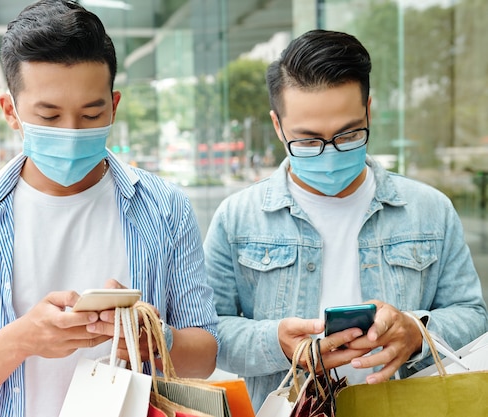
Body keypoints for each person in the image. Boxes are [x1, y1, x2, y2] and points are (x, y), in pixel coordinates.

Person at [0, 1, 218, 416]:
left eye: (92, 114)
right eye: (50, 116)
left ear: (114, 106)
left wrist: (152, 339)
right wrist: (23, 339)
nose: (72, 132)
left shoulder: (164, 207)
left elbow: (205, 356)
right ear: (11, 112)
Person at [203, 29, 488, 412]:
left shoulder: (430, 210)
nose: (330, 153)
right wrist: (277, 343)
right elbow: (209, 333)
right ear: (277, 126)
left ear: (369, 111)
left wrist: (417, 333)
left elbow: (472, 316)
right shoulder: (237, 218)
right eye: (307, 140)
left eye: (349, 134)